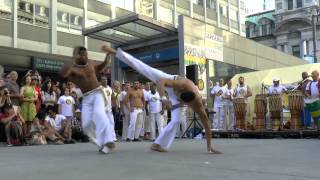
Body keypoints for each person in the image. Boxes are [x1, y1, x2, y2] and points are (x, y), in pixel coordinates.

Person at [102, 45, 221, 154]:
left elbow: (206, 124)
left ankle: (157, 144)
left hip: (181, 95)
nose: (176, 97)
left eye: (179, 98)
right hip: (168, 81)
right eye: (178, 95)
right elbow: (160, 82)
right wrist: (164, 98)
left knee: (176, 120)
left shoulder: (197, 105)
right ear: (182, 90)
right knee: (142, 67)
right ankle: (113, 51)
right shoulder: (182, 84)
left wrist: (209, 147)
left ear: (186, 103)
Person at [60, 46, 115, 154]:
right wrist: (73, 58)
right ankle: (102, 143)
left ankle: (109, 140)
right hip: (86, 98)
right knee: (86, 126)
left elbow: (100, 68)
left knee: (99, 114)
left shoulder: (90, 62)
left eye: (86, 54)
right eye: (82, 55)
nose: (85, 56)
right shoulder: (72, 69)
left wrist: (107, 57)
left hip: (98, 93)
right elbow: (63, 73)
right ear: (77, 55)